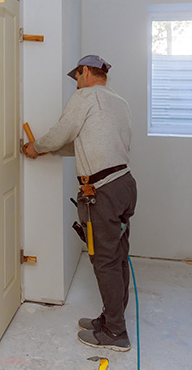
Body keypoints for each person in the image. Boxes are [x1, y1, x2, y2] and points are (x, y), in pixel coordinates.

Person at [23, 54, 137, 352]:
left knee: (105, 261)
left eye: (77, 78)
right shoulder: (118, 102)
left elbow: (62, 132)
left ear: (85, 72)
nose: (76, 85)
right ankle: (111, 318)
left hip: (103, 191)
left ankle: (115, 333)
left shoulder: (85, 97)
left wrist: (36, 147)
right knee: (118, 256)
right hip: (124, 184)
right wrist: (50, 151)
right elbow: (85, 141)